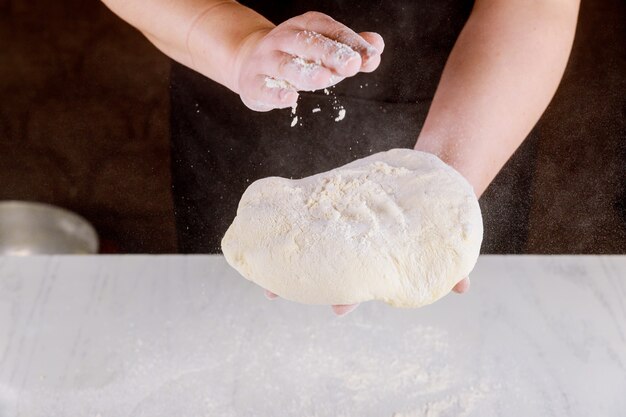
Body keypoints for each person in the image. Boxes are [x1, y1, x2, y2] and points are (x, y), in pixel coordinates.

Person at [101, 0, 580, 314]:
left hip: (480, 113)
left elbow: (535, 9)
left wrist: (438, 186)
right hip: (234, 92)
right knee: (238, 351)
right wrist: (237, 45)